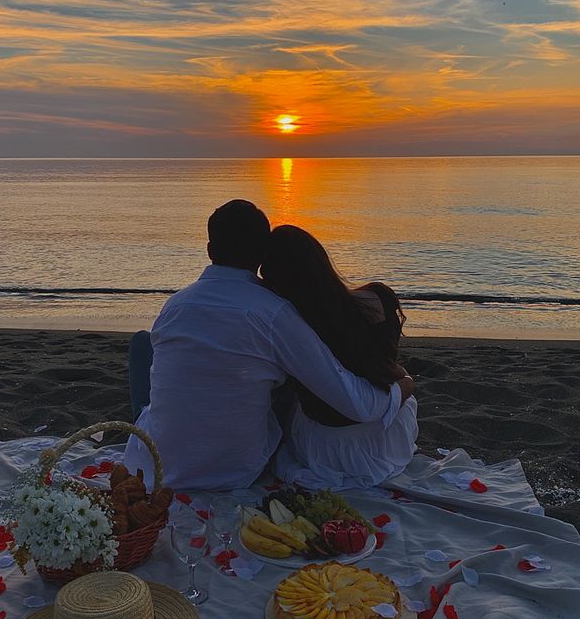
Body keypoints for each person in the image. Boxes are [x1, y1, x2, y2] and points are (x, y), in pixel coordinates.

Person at [124, 200, 413, 491]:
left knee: (142, 344)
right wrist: (403, 385)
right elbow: (358, 405)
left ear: (210, 251)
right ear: (261, 256)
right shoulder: (275, 314)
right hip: (236, 471)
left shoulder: (174, 306)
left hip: (156, 466)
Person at [260, 224, 418, 490]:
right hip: (385, 439)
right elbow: (388, 366)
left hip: (326, 448)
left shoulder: (291, 323)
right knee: (400, 388)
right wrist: (406, 380)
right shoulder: (379, 299)